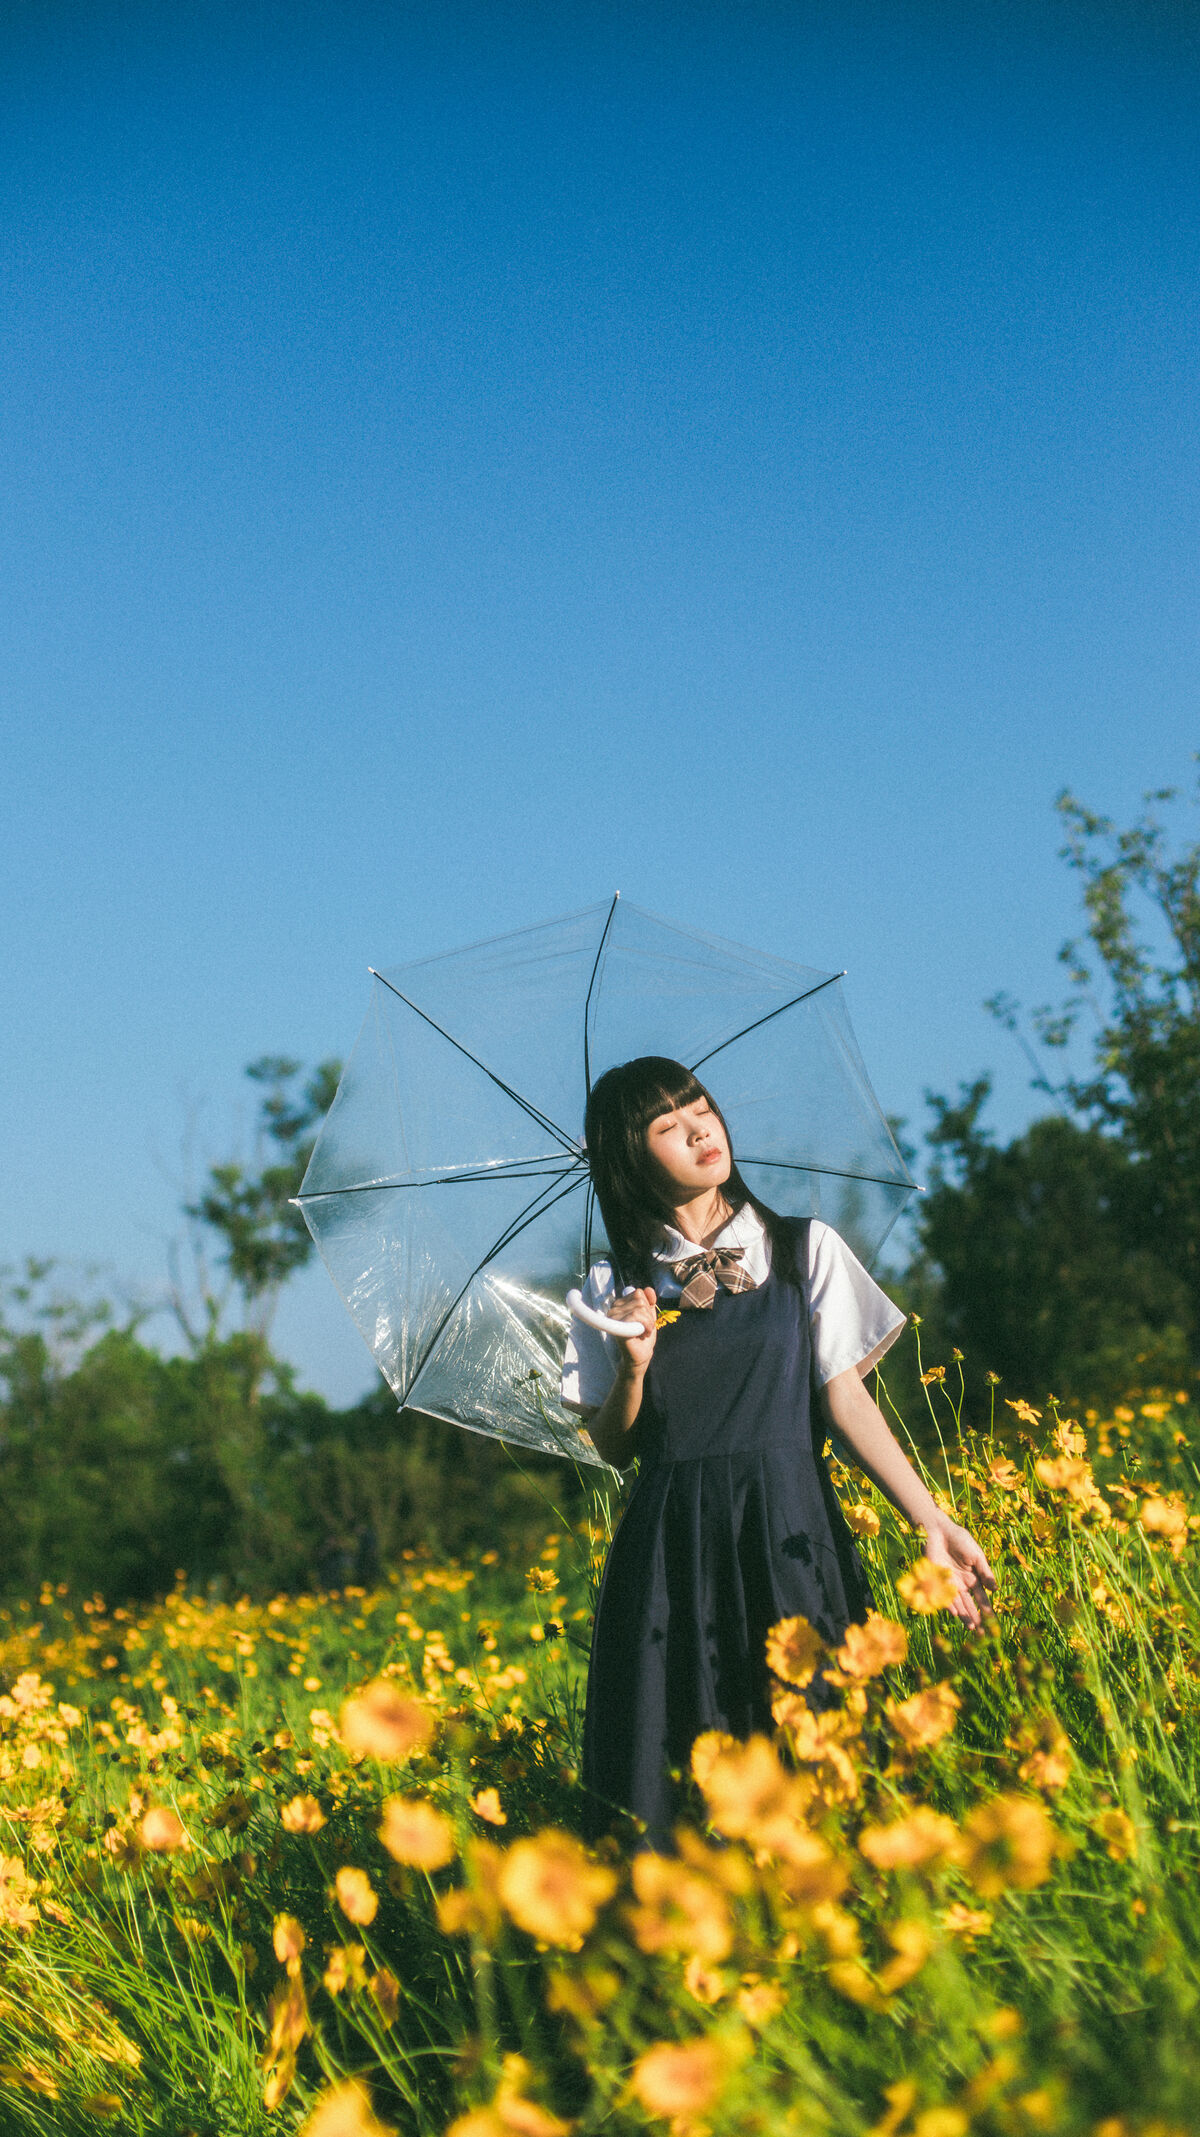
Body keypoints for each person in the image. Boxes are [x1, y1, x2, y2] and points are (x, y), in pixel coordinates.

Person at [561, 1055, 995, 1843]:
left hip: (791, 1528)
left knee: (823, 1739)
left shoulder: (800, 1248)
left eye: (702, 1109)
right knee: (679, 1773)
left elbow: (846, 1399)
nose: (701, 1131)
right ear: (630, 1156)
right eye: (668, 1126)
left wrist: (929, 1519)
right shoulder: (610, 1287)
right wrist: (632, 1364)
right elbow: (614, 1446)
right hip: (670, 1553)